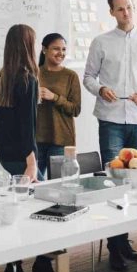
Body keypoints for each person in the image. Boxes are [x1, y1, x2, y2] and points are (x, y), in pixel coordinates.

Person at [83, 0, 137, 272]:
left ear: (133, 7)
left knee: (135, 181)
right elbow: (88, 77)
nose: (125, 12)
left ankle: (124, 240)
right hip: (111, 118)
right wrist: (101, 88)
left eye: (129, 7)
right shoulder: (101, 42)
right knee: (114, 180)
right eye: (120, 9)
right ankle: (114, 246)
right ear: (112, 12)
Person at [0, 24, 42, 272]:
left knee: (17, 209)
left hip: (4, 150)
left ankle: (15, 270)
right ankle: (30, 268)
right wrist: (31, 162)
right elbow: (27, 126)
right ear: (28, 46)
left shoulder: (0, 79)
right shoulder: (28, 79)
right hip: (23, 154)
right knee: (36, 210)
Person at [36, 33, 81, 178]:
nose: (60, 53)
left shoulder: (70, 76)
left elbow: (75, 109)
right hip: (35, 138)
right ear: (44, 49)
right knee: (32, 184)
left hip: (61, 139)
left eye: (63, 49)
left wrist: (54, 97)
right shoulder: (33, 73)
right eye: (56, 49)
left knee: (59, 185)